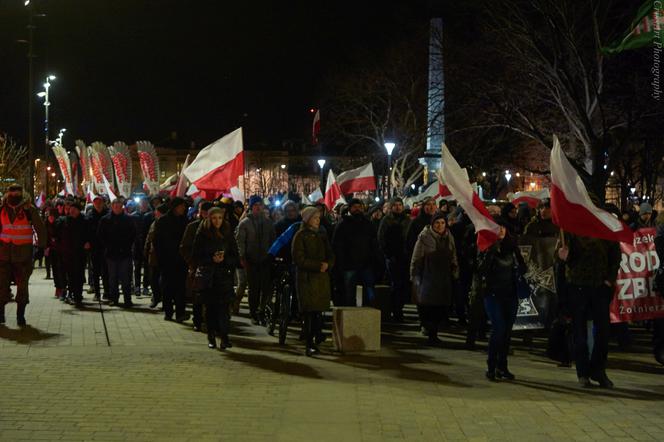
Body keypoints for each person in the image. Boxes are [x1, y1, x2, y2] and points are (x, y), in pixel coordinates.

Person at [557, 232, 621, 388]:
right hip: (577, 287)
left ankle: (598, 370)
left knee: (603, 332)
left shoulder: (603, 229)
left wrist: (609, 281)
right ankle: (583, 372)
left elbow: (615, 257)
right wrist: (562, 256)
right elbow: (560, 262)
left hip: (600, 287)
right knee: (580, 333)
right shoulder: (570, 232)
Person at [477, 221, 525, 381]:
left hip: (510, 294)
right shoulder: (486, 246)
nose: (501, 231)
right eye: (497, 228)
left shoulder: (512, 247)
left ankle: (502, 366)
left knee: (507, 332)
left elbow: (523, 268)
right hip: (492, 294)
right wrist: (491, 250)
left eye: (503, 227)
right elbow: (481, 269)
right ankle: (491, 366)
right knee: (499, 329)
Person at [193, 207, 239, 349]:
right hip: (209, 277)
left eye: (219, 217)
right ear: (209, 218)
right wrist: (211, 259)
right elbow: (196, 254)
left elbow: (235, 255)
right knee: (211, 309)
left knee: (224, 310)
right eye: (214, 218)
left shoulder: (227, 233)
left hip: (224, 277)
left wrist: (224, 259)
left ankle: (224, 337)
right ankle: (211, 336)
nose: (217, 221)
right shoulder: (202, 234)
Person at [0, 184, 46, 325]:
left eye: (17, 192)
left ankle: (20, 315)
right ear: (8, 194)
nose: (14, 195)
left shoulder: (29, 210)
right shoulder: (2, 209)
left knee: (22, 286)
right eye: (12, 192)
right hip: (4, 254)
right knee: (1, 285)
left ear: (21, 193)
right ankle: (0, 314)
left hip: (23, 256)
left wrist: (41, 247)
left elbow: (40, 228)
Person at [292, 206, 335, 356]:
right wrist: (318, 266)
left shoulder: (321, 235)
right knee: (309, 313)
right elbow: (299, 259)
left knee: (318, 312)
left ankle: (317, 337)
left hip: (321, 279)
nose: (318, 220)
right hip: (307, 280)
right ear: (308, 219)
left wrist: (329, 264)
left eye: (318, 218)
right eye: (315, 218)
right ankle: (309, 343)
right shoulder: (300, 236)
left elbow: (330, 253)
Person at [410, 213, 459, 344]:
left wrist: (455, 271)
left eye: (442, 223)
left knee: (441, 306)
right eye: (437, 223)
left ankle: (433, 329)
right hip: (428, 276)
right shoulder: (424, 237)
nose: (440, 226)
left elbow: (453, 254)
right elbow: (416, 258)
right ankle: (431, 332)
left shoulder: (449, 237)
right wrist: (414, 276)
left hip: (444, 276)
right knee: (428, 306)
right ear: (432, 224)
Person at [332, 198, 379, 306]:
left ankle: (369, 312)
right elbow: (337, 245)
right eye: (355, 207)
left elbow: (374, 243)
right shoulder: (342, 224)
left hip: (366, 264)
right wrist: (342, 262)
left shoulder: (368, 224)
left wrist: (373, 258)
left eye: (359, 207)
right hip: (349, 265)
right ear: (350, 209)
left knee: (369, 290)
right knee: (349, 292)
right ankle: (350, 315)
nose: (357, 209)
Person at [236, 195, 275, 324]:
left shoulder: (268, 222)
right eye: (255, 206)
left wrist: (272, 255)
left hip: (265, 260)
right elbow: (240, 241)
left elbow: (273, 240)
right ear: (251, 208)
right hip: (251, 260)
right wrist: (242, 257)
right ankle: (253, 313)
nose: (258, 208)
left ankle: (262, 311)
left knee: (265, 288)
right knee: (253, 288)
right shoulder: (245, 223)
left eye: (260, 205)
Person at [154, 197, 189, 322]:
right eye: (182, 206)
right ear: (175, 207)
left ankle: (180, 313)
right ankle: (168, 312)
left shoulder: (184, 220)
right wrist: (160, 259)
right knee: (168, 287)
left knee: (180, 288)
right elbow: (157, 242)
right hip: (167, 260)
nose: (184, 208)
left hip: (181, 261)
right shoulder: (163, 221)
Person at [180, 201, 213, 331]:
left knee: (211, 296)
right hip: (198, 266)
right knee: (198, 296)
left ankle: (210, 320)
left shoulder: (219, 227)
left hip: (213, 267)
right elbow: (184, 247)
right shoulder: (193, 227)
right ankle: (197, 320)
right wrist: (192, 262)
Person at [377, 196, 411, 321]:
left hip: (404, 257)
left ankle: (399, 308)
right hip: (392, 258)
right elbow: (381, 239)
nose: (398, 207)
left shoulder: (407, 220)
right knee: (395, 284)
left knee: (402, 284)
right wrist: (388, 254)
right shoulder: (386, 220)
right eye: (395, 205)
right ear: (391, 207)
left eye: (400, 205)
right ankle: (395, 310)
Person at [98, 198, 136, 307]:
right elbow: (101, 235)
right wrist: (108, 246)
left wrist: (127, 245)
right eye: (114, 206)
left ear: (122, 207)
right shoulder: (105, 220)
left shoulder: (128, 219)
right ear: (111, 206)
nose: (116, 207)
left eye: (119, 206)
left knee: (125, 278)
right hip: (111, 253)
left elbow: (133, 234)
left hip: (125, 253)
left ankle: (127, 299)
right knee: (112, 278)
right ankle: (114, 299)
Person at [55, 201, 90, 307]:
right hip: (68, 253)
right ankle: (71, 293)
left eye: (75, 209)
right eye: (71, 209)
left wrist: (88, 242)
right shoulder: (64, 221)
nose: (72, 211)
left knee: (79, 275)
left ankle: (78, 295)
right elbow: (57, 233)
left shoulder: (84, 221)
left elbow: (89, 234)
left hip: (80, 253)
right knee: (70, 275)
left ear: (79, 211)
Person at [144, 204, 168, 309]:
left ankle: (165, 300)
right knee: (153, 279)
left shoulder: (167, 224)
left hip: (164, 256)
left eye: (157, 212)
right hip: (153, 256)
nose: (155, 213)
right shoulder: (154, 223)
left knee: (163, 280)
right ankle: (156, 297)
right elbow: (149, 238)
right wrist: (146, 250)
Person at [87, 196, 109, 302]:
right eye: (96, 202)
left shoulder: (108, 214)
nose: (98, 204)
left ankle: (106, 292)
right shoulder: (90, 215)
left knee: (106, 271)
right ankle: (97, 293)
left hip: (105, 247)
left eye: (100, 202)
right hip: (94, 247)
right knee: (95, 271)